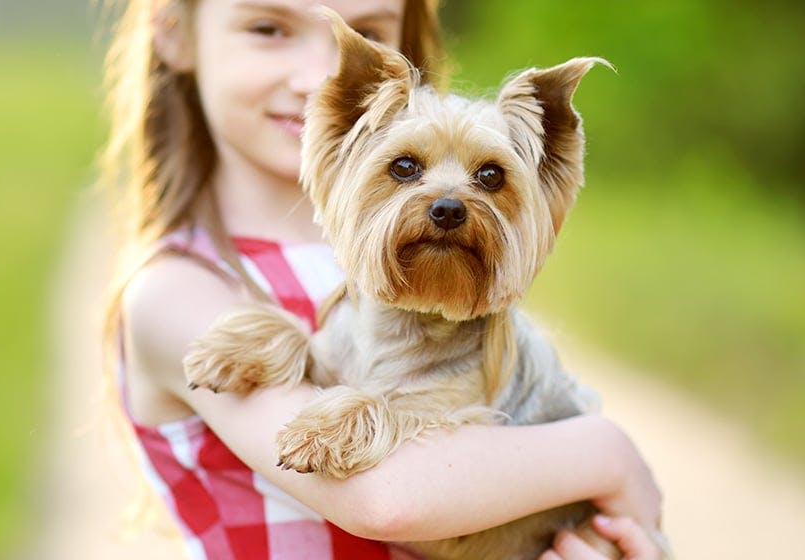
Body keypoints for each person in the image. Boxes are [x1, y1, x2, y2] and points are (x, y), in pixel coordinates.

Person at [98, 0, 664, 558]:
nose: (315, 75)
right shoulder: (175, 292)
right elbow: (387, 501)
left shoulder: (409, 295)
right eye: (268, 27)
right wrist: (607, 451)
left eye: (489, 178)